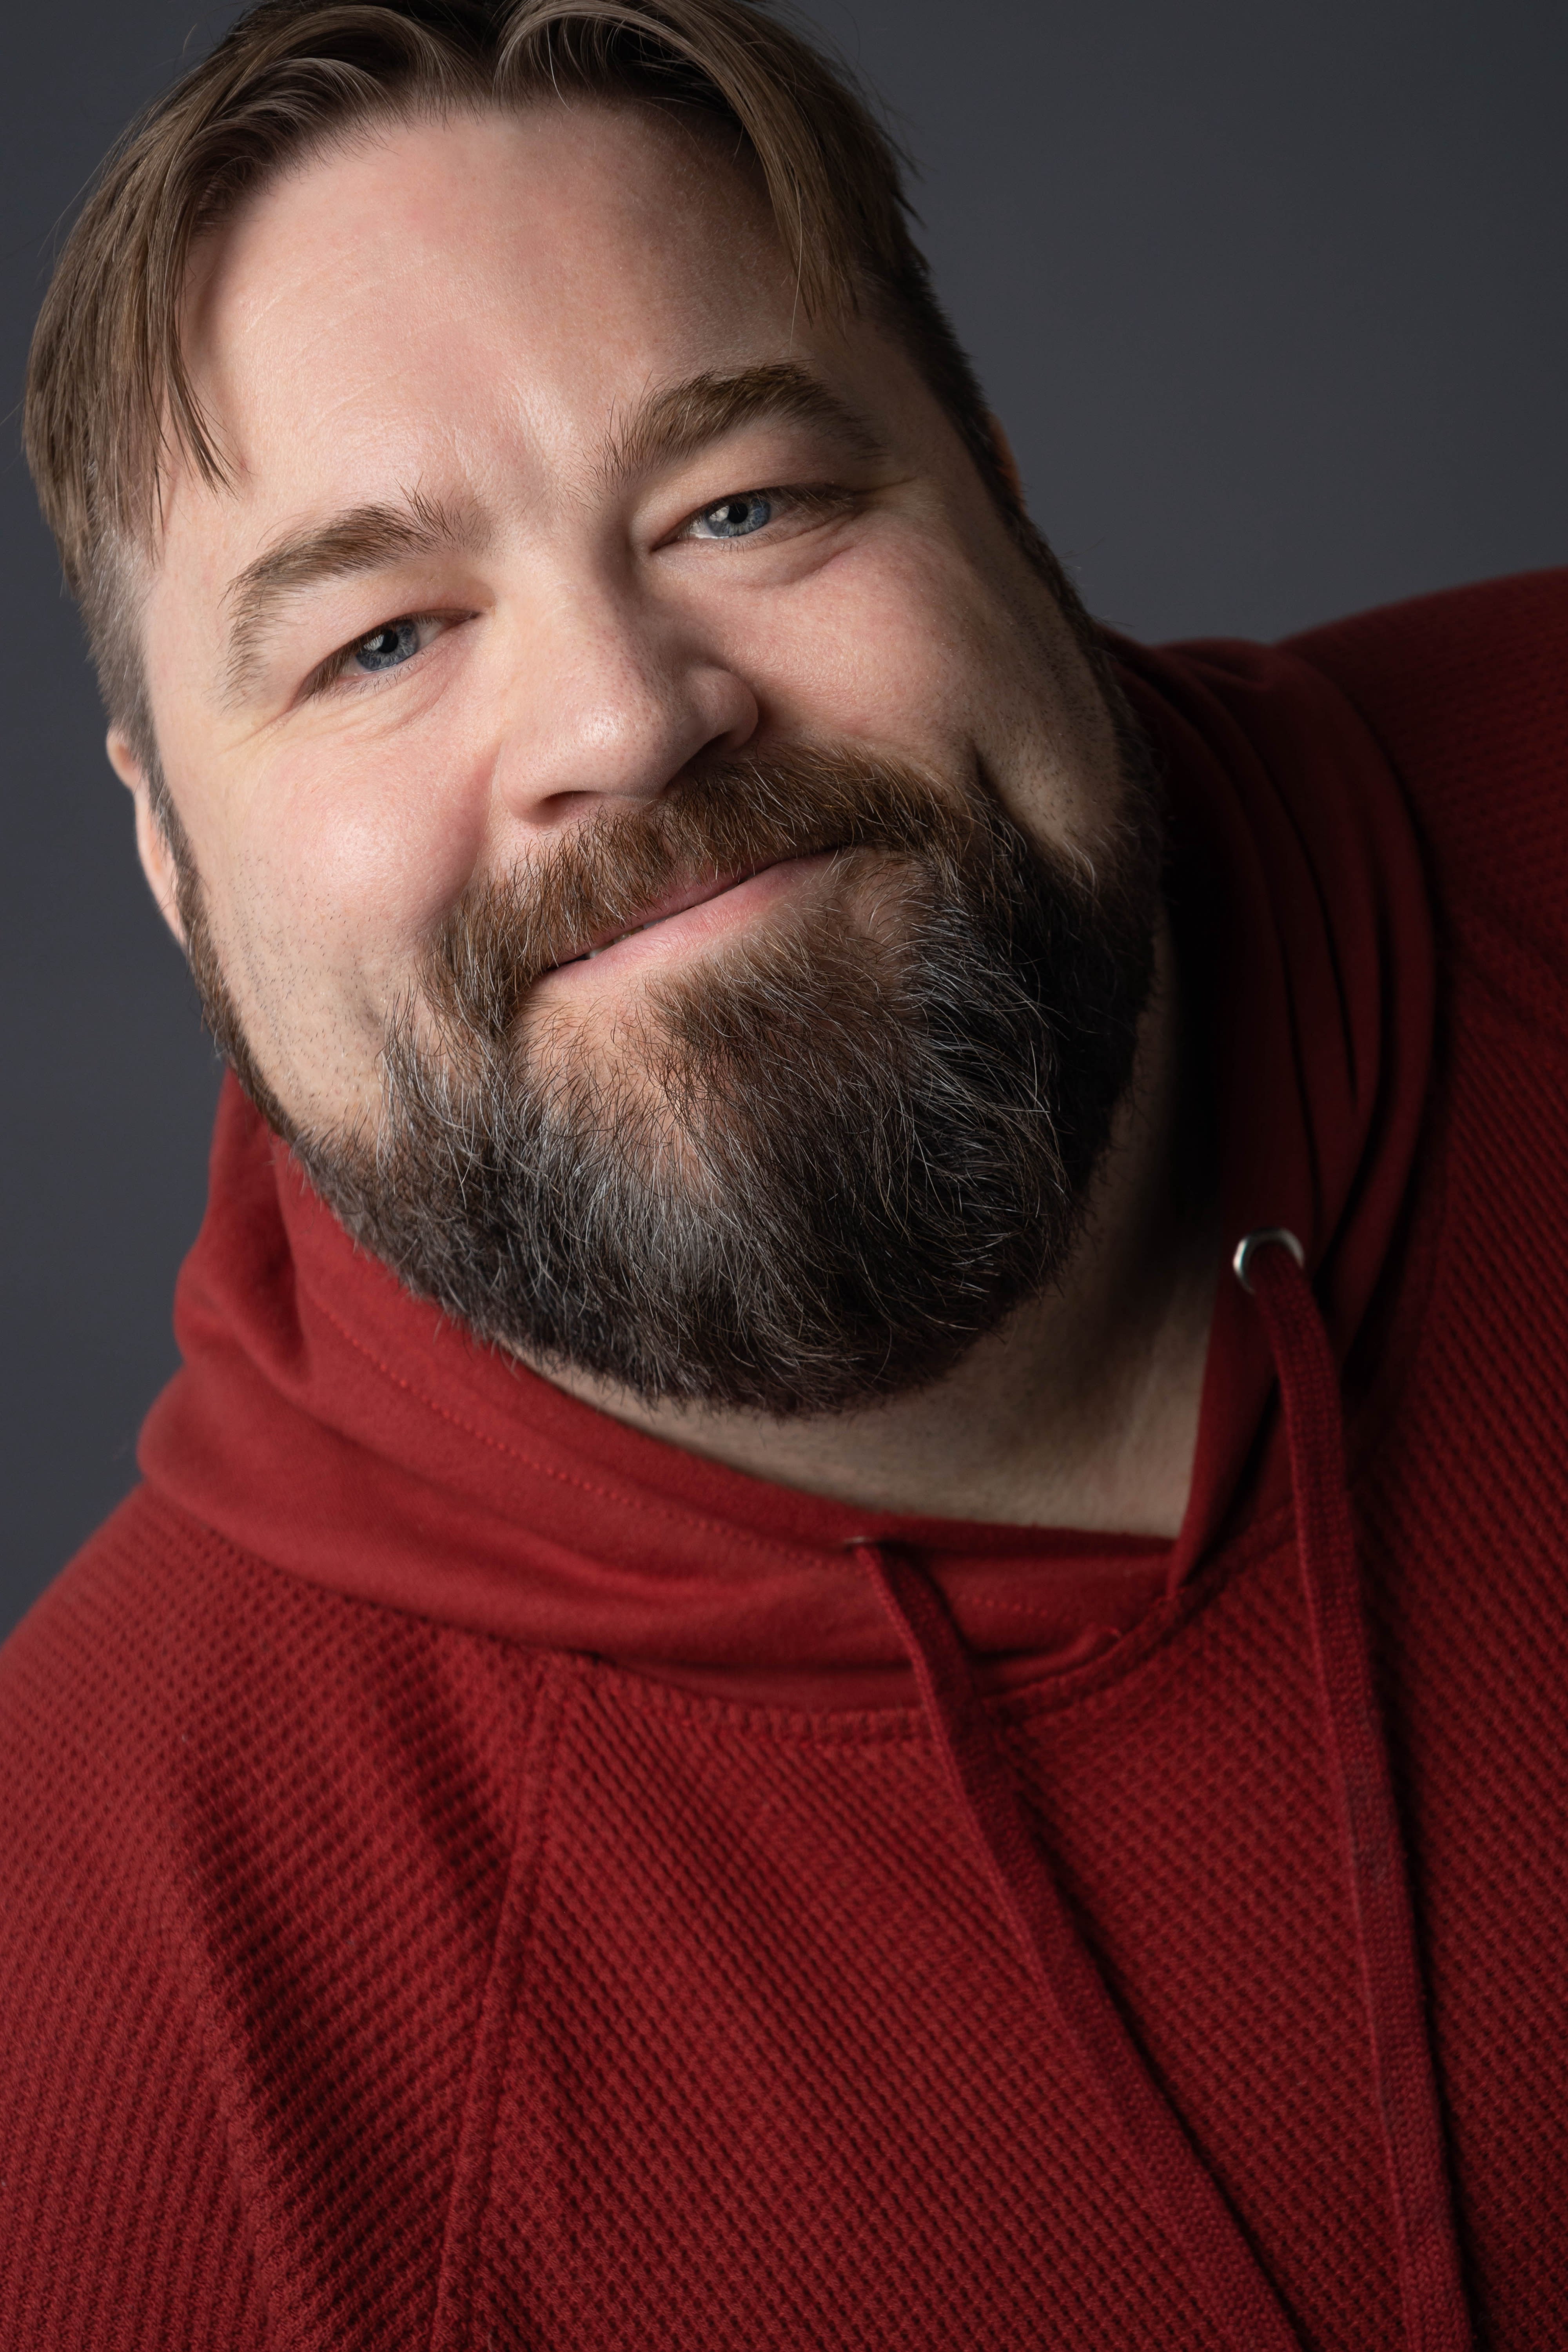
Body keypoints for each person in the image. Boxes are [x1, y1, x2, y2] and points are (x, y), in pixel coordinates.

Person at [2, 0, 1563, 2341]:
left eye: (742, 505)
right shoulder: (79, 2053)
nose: (626, 718)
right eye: (382, 639)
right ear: (168, 860)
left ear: (999, 495)